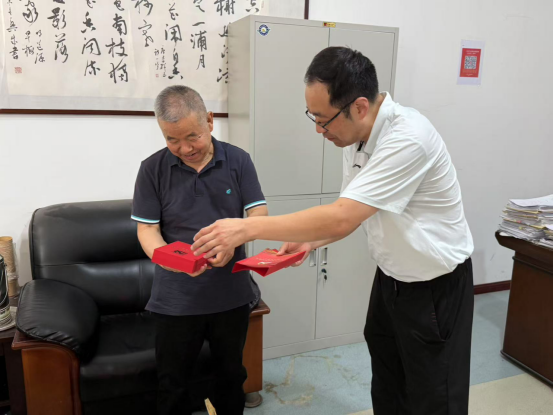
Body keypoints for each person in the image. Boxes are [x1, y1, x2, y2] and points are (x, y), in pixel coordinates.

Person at [191, 47, 475, 415]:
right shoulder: (355, 136)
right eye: (313, 116)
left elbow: (342, 216)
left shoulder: (409, 138)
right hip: (391, 280)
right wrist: (309, 241)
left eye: (323, 120)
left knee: (434, 395)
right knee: (389, 383)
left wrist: (246, 228)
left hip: (434, 286)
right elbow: (352, 212)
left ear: (359, 106)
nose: (318, 129)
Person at [132, 86, 268, 415]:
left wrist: (233, 241)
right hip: (175, 299)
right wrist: (170, 260)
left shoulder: (238, 160)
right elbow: (147, 230)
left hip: (231, 294)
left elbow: (258, 214)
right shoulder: (152, 169)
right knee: (173, 381)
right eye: (172, 140)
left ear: (209, 120)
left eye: (192, 136)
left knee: (231, 375)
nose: (185, 148)